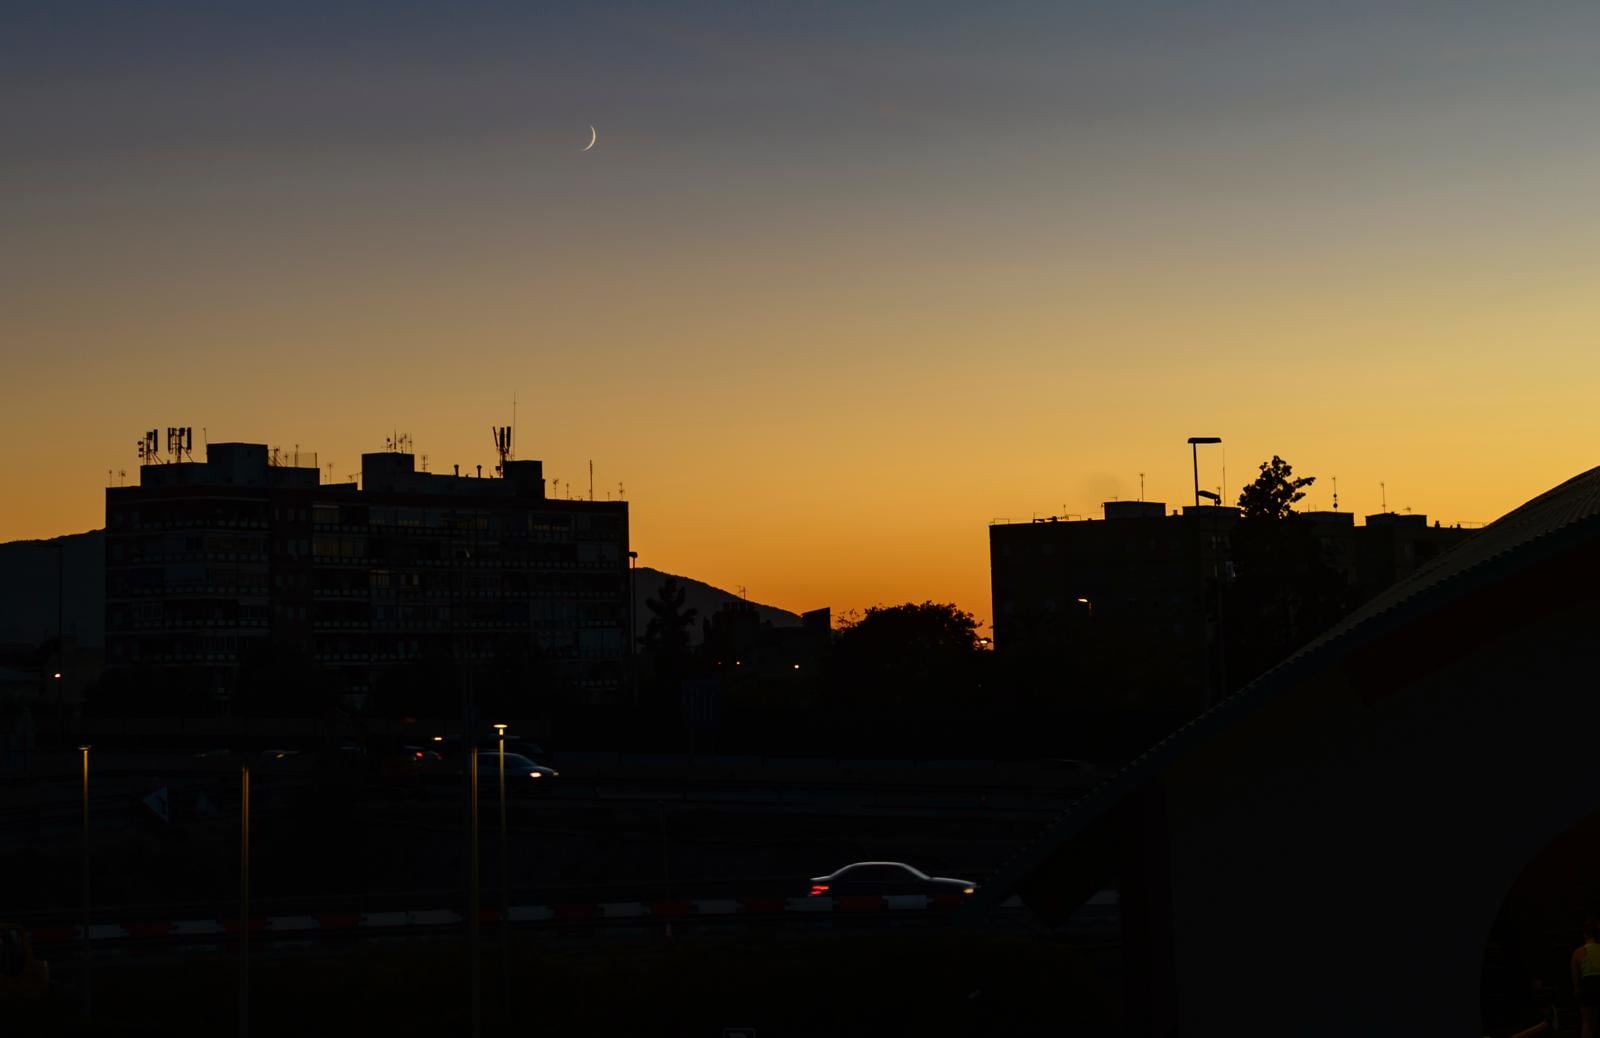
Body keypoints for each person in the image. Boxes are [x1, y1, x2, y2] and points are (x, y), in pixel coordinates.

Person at [1572, 917, 1600, 1038]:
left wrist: (1578, 993)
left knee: (1586, 1022)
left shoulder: (1578, 952)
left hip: (1588, 985)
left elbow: (1576, 980)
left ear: (1585, 934)